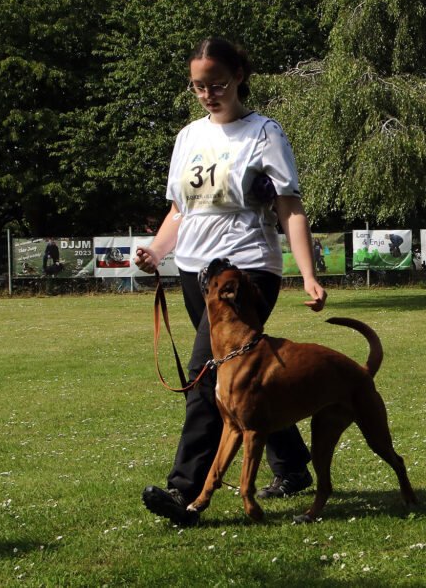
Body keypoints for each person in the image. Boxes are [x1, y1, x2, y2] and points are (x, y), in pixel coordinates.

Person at [134, 37, 327, 525]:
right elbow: (181, 209)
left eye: (217, 84)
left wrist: (307, 273)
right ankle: (292, 467)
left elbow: (289, 205)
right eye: (199, 86)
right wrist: (157, 251)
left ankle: (186, 492)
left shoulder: (264, 133)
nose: (208, 94)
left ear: (240, 75)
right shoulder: (187, 138)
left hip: (246, 272)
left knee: (207, 379)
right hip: (195, 273)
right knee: (246, 381)